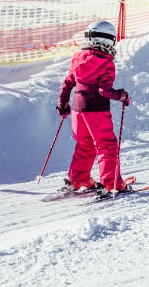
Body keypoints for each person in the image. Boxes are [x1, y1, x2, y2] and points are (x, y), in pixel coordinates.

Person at [56, 20, 132, 196]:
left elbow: (68, 83)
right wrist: (122, 95)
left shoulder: (78, 58)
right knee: (107, 145)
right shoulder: (105, 62)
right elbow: (104, 91)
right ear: (108, 40)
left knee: (85, 143)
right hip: (96, 109)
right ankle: (112, 183)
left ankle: (79, 178)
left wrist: (63, 104)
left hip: (77, 109)